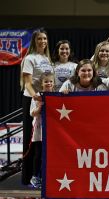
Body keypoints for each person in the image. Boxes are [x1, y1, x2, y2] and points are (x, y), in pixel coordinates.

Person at [20, 29, 53, 185]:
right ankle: (27, 177)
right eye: (39, 38)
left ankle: (40, 175)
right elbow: (27, 83)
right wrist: (36, 96)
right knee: (31, 140)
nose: (43, 41)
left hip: (44, 98)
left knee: (42, 141)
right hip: (32, 98)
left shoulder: (47, 58)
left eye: (45, 38)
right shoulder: (30, 58)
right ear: (34, 41)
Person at [29, 72, 55, 188]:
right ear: (41, 83)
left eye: (50, 81)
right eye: (46, 81)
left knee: (50, 155)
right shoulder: (36, 96)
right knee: (38, 154)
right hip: (40, 130)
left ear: (53, 83)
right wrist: (40, 106)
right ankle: (35, 177)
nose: (48, 83)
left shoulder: (56, 96)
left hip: (52, 131)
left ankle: (48, 177)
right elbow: (32, 113)